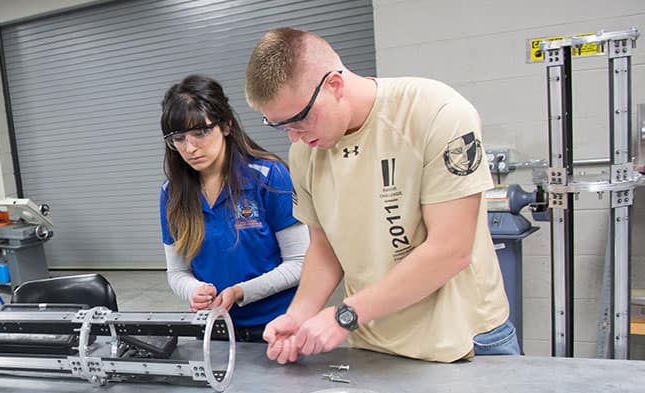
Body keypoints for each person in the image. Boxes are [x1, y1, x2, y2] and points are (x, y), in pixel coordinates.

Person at [243, 27, 519, 364]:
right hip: (375, 342)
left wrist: (346, 314)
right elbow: (324, 245)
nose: (295, 137)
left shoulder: (437, 114)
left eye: (300, 119)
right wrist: (298, 315)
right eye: (280, 125)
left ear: (335, 85)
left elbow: (451, 249)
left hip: (464, 339)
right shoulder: (306, 153)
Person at [159, 74, 309, 342]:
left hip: (276, 328)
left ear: (226, 125)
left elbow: (300, 264)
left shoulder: (268, 177)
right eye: (178, 138)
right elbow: (178, 272)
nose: (190, 147)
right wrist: (194, 290)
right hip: (214, 328)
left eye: (200, 132)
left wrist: (240, 291)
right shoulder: (172, 194)